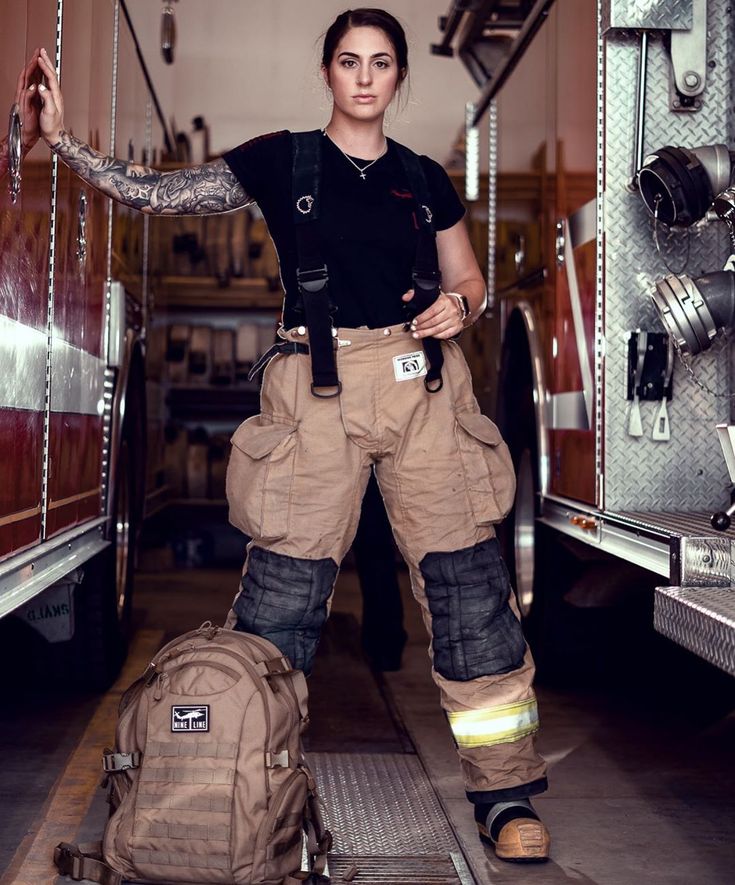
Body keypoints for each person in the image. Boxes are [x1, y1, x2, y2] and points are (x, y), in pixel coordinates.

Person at [33, 7, 550, 862]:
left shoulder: (424, 179)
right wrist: (64, 145)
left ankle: (505, 792)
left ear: (396, 78)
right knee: (282, 596)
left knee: (466, 590)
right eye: (348, 61)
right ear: (327, 73)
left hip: (421, 387)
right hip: (315, 385)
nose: (363, 77)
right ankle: (240, 781)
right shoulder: (282, 160)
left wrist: (460, 304)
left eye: (380, 63)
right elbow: (158, 194)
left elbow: (469, 279)